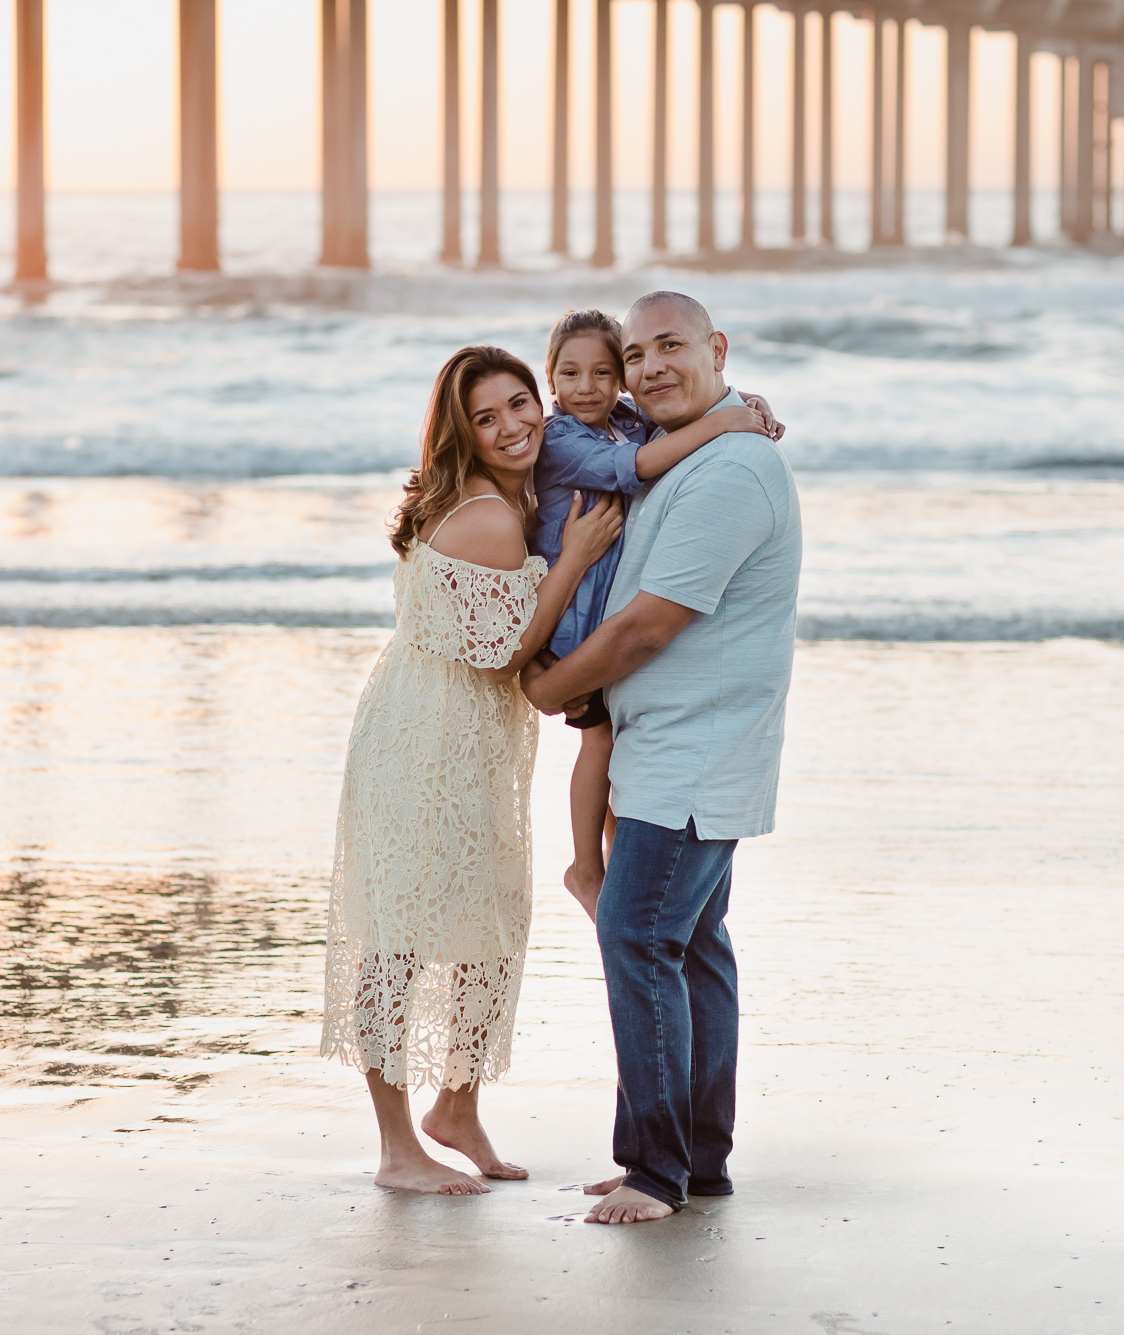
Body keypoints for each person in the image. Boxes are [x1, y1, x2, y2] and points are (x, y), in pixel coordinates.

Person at [523, 291, 802, 1225]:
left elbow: (647, 625)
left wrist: (548, 688)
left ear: (716, 347)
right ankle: (697, 1158)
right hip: (669, 747)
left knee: (636, 937)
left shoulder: (730, 471)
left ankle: (654, 1169)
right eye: (634, 354)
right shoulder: (695, 447)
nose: (645, 368)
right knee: (690, 951)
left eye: (669, 347)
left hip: (692, 755)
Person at [320, 344, 625, 1195]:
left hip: (464, 736)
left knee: (492, 915)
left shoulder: (507, 494)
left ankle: (456, 1108)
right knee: (399, 935)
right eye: (486, 417)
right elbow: (505, 653)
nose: (513, 426)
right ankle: (395, 1149)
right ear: (463, 431)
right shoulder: (488, 518)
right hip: (427, 742)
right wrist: (572, 559)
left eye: (521, 404)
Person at [530, 308, 782, 920]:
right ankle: (585, 867)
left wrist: (741, 402)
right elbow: (639, 467)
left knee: (613, 751)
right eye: (570, 374)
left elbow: (669, 420)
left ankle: (608, 862)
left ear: (619, 381)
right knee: (598, 742)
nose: (585, 387)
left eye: (602, 372)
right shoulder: (560, 439)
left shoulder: (623, 420)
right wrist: (729, 421)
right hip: (574, 628)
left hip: (601, 619)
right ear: (551, 380)